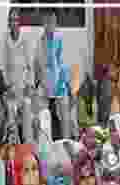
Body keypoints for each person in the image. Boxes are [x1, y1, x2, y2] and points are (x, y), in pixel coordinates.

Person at [34, 11, 79, 141]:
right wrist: (36, 86)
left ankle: (68, 145)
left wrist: (72, 90)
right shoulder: (40, 42)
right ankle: (45, 144)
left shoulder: (61, 39)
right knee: (43, 118)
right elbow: (37, 65)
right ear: (43, 23)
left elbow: (67, 65)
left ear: (55, 23)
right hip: (46, 88)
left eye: (52, 21)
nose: (49, 25)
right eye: (46, 22)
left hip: (61, 87)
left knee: (66, 119)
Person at [0, 7, 33, 145]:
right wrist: (8, 87)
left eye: (16, 20)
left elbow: (30, 66)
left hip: (24, 87)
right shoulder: (5, 40)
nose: (14, 23)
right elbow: (4, 66)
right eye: (11, 20)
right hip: (12, 89)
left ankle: (28, 145)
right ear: (9, 22)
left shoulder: (25, 39)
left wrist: (29, 86)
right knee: (11, 113)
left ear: (20, 22)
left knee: (27, 106)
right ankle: (15, 147)